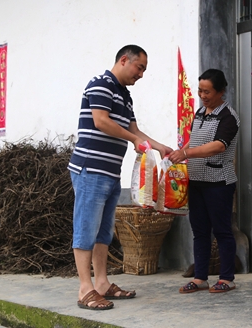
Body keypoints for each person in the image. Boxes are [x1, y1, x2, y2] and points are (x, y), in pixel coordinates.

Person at [68, 44, 173, 310]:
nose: (141, 74)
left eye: (144, 70)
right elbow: (101, 121)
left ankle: (102, 283)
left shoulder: (125, 95)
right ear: (124, 60)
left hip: (111, 173)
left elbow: (134, 130)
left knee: (104, 232)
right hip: (91, 169)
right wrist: (134, 140)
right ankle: (85, 289)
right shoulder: (101, 84)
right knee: (86, 229)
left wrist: (159, 147)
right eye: (140, 67)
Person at [168, 68, 240, 293]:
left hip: (219, 182)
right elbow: (195, 140)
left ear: (221, 91)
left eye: (207, 92)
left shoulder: (229, 117)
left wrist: (186, 153)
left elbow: (218, 146)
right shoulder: (199, 113)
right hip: (197, 181)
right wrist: (180, 152)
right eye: (200, 90)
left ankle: (227, 278)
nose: (202, 95)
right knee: (199, 231)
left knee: (222, 231)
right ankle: (200, 278)